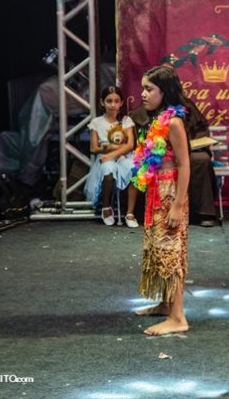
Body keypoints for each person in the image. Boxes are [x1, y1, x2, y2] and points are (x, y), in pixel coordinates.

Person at [131, 64, 192, 335]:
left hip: (170, 194)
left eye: (149, 89)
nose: (143, 94)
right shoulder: (159, 120)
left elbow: (185, 164)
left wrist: (178, 204)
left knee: (171, 251)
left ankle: (178, 317)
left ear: (164, 91)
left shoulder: (175, 122)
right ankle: (166, 304)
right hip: (157, 191)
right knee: (157, 249)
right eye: (143, 88)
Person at [84, 86, 135, 225]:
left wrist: (114, 151)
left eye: (116, 101)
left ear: (121, 103)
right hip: (105, 157)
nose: (113, 105)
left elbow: (130, 145)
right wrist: (110, 149)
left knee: (133, 168)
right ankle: (106, 206)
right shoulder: (96, 122)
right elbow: (94, 148)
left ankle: (130, 212)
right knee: (108, 169)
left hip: (124, 156)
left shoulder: (126, 120)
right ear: (102, 102)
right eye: (109, 101)